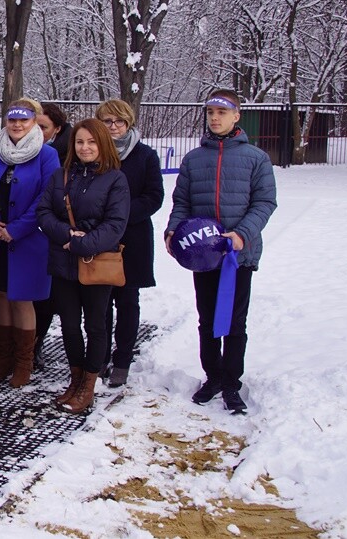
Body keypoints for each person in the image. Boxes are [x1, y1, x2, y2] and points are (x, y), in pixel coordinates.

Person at [166, 90, 276, 414]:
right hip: (204, 256)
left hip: (237, 256)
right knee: (208, 319)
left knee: (234, 322)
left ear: (236, 115)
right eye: (211, 112)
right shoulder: (193, 159)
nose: (215, 118)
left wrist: (241, 235)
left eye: (222, 112)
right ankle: (212, 377)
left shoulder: (256, 158)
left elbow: (264, 203)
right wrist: (173, 231)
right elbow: (181, 202)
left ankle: (231, 384)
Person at [37, 119, 129, 413]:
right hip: (64, 263)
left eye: (91, 142)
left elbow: (115, 225)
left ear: (101, 144)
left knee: (95, 324)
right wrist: (66, 234)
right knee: (69, 325)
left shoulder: (115, 179)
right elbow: (44, 212)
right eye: (80, 142)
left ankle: (89, 384)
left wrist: (80, 242)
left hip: (96, 263)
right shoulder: (60, 176)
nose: (85, 148)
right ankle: (75, 379)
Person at [0, 99, 61, 388]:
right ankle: (2, 358)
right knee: (0, 297)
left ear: (33, 122)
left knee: (23, 300)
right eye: (12, 120)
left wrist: (16, 229)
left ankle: (24, 362)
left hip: (27, 239)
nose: (16, 125)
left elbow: (47, 197)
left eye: (23, 120)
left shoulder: (46, 155)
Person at [95, 99, 164, 388]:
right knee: (99, 303)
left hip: (132, 237)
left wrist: (120, 215)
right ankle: (98, 358)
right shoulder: (93, 152)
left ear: (129, 124)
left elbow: (154, 196)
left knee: (127, 301)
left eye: (119, 122)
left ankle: (122, 358)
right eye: (107, 122)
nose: (113, 128)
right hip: (98, 238)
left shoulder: (144, 156)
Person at [33, 101, 73, 371]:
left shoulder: (61, 154)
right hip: (34, 229)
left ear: (57, 129)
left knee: (47, 296)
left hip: (55, 232)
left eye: (43, 127)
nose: (36, 130)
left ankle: (35, 344)